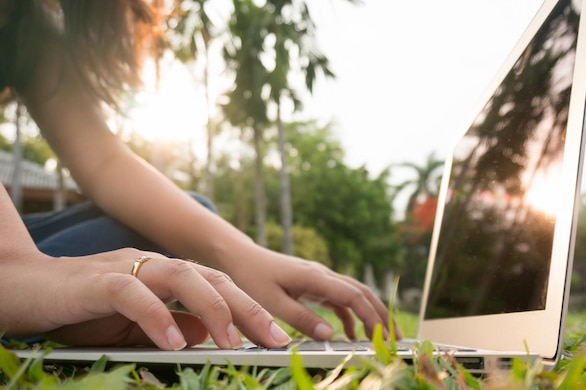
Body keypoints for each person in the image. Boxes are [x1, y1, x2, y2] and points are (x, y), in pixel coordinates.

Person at [0, 0, 399, 351]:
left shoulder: (29, 22)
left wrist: (241, 258)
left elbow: (102, 162)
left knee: (179, 227)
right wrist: (13, 267)